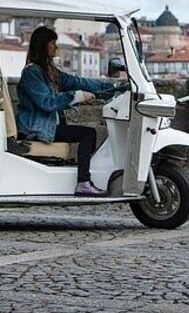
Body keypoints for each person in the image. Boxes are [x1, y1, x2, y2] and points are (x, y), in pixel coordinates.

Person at [16, 26, 116, 196]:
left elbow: (77, 81)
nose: (56, 47)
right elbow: (47, 103)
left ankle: (84, 180)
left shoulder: (49, 72)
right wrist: (76, 96)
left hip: (45, 127)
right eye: (53, 43)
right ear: (42, 46)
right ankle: (84, 182)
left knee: (87, 133)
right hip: (35, 129)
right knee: (88, 134)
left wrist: (109, 87)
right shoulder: (32, 73)